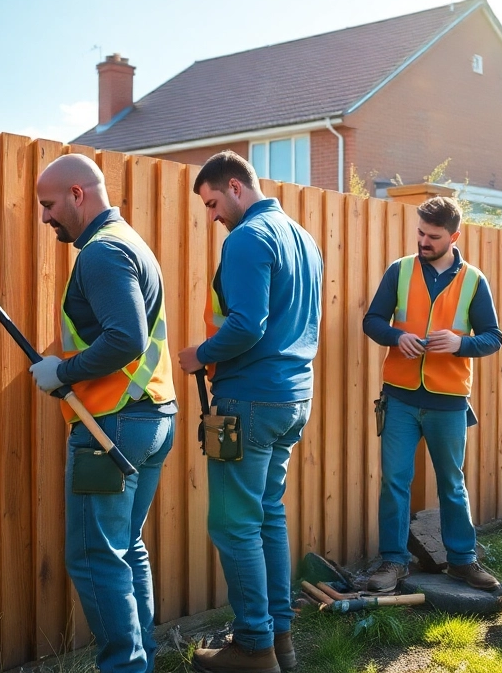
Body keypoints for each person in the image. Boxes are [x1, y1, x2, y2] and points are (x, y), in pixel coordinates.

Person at [28, 153, 177, 673]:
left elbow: (126, 338)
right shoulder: (131, 242)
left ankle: (126, 667)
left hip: (111, 424)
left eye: (48, 204)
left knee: (94, 558)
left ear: (77, 195)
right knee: (124, 547)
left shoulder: (101, 253)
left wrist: (62, 374)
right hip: (152, 415)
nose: (44, 216)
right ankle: (142, 661)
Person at [177, 151, 323, 673]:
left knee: (233, 525)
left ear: (236, 187)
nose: (213, 216)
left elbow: (245, 325)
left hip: (250, 401)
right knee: (267, 516)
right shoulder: (302, 238)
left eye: (213, 203)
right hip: (292, 400)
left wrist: (199, 355)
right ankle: (280, 640)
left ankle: (254, 647)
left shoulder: (247, 238)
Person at [361, 196, 502, 593]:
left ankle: (462, 562)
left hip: (449, 401)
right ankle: (393, 562)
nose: (423, 241)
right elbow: (372, 321)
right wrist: (396, 336)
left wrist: (460, 344)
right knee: (395, 482)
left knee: (451, 484)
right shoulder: (399, 271)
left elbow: (494, 338)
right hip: (400, 398)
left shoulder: (474, 281)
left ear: (454, 236)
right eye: (420, 232)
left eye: (433, 236)